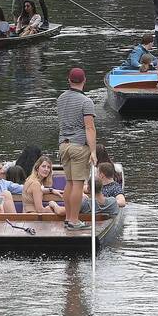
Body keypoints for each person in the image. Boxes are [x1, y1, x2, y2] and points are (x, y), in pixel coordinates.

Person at [57, 67, 98, 231]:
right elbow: (89, 128)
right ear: (84, 81)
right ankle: (74, 220)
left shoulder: (60, 98)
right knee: (78, 185)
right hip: (78, 146)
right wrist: (93, 151)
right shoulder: (86, 101)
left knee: (69, 183)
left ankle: (68, 218)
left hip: (63, 145)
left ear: (69, 80)